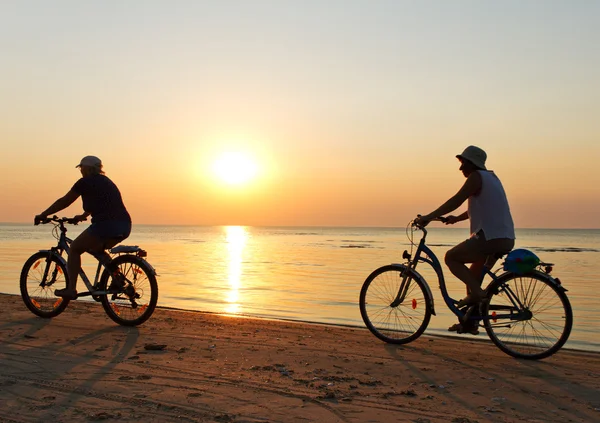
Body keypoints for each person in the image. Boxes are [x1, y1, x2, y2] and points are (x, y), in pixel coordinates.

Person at [414, 146, 515, 334]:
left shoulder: (476, 177)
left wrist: (429, 216)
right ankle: (469, 322)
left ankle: (479, 295)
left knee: (451, 258)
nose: (461, 169)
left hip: (489, 238)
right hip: (505, 238)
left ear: (473, 163)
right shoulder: (492, 178)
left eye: (463, 163)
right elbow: (480, 208)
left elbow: (457, 199)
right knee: (472, 279)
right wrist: (455, 219)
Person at [34, 156, 132, 300]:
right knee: (96, 249)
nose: (80, 171)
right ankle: (118, 279)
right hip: (124, 225)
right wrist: (82, 215)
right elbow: (104, 203)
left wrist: (44, 214)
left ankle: (71, 289)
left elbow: (65, 201)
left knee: (74, 248)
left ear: (87, 168)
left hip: (105, 225)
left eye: (81, 168)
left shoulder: (84, 182)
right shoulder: (106, 182)